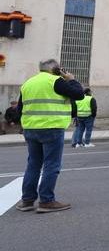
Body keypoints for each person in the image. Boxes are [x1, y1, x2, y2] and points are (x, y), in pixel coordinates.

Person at [15, 59, 84, 214]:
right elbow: (79, 94)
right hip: (51, 127)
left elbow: (20, 108)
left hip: (31, 128)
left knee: (33, 164)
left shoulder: (28, 83)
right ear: (57, 69)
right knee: (51, 165)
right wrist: (72, 80)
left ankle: (27, 200)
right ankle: (46, 201)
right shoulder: (55, 81)